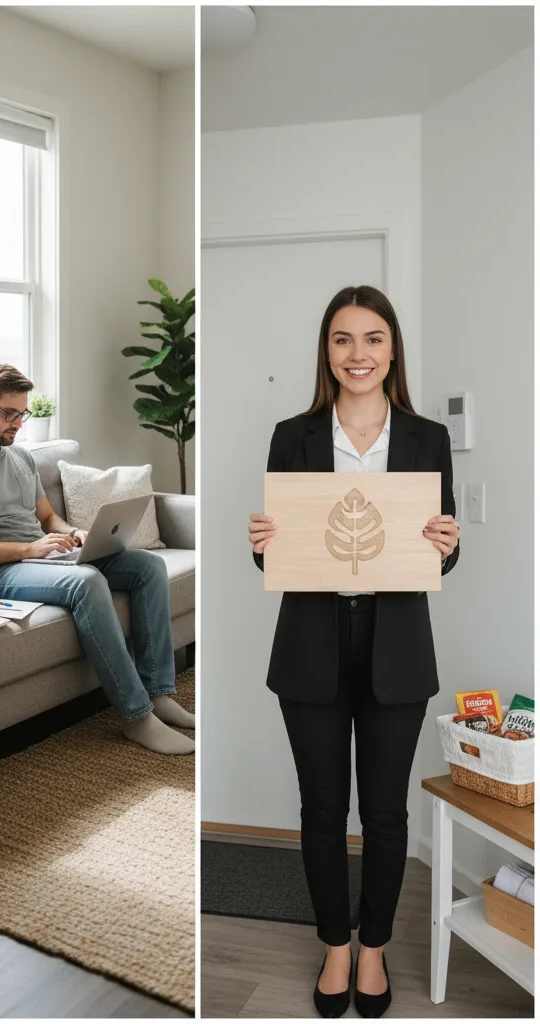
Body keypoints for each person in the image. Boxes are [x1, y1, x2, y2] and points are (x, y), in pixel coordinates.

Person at [248, 285, 459, 1018]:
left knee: (387, 814)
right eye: (343, 339)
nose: (358, 354)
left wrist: (447, 544)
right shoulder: (292, 434)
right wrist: (263, 546)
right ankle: (335, 947)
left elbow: (437, 551)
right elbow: (281, 555)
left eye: (372, 339)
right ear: (327, 351)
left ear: (393, 348)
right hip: (311, 641)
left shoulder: (427, 438)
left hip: (397, 644)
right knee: (320, 809)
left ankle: (374, 951)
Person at [0, 362, 194, 755]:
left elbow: (46, 517)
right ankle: (136, 716)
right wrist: (31, 549)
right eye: (8, 413)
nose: (18, 423)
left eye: (23, 413)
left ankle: (160, 692)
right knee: (86, 582)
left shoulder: (21, 457)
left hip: (40, 559)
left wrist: (72, 533)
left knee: (147, 566)